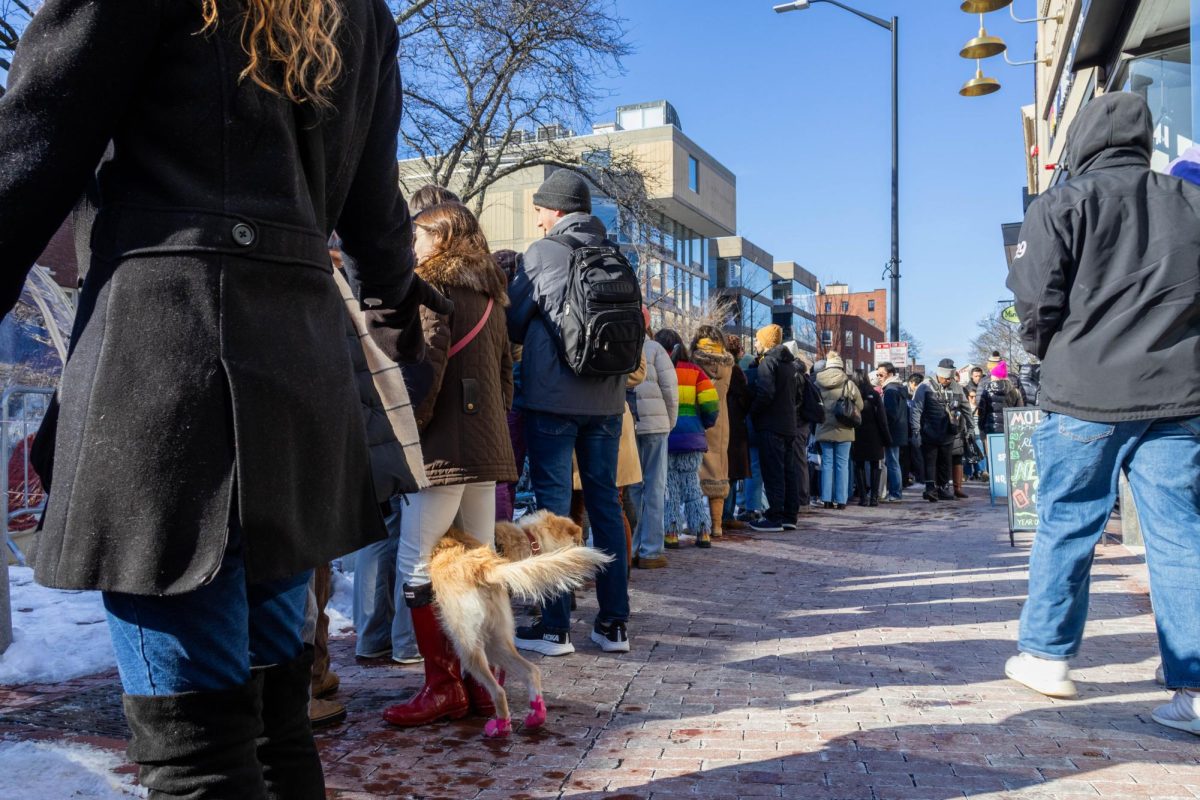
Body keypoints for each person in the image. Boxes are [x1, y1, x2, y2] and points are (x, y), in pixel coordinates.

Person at [0, 0, 452, 796]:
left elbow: (32, 145)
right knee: (276, 730)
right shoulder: (363, 13)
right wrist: (393, 306)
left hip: (167, 375)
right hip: (295, 380)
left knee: (196, 752)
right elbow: (376, 208)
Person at [1003, 92, 1200, 733]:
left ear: (1082, 139)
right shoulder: (1190, 202)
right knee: (1180, 538)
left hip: (1086, 388)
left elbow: (1035, 300)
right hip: (1177, 388)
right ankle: (1194, 689)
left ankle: (1047, 657)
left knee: (1068, 522)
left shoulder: (1061, 203)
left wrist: (1049, 350)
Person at [383, 202, 516, 729]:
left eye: (419, 233)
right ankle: (485, 686)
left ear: (442, 236)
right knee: (479, 566)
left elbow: (425, 369)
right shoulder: (492, 295)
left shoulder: (430, 289)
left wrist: (405, 430)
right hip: (484, 445)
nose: (413, 242)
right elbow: (507, 375)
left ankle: (443, 689)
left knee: (418, 563)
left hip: (438, 447)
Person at [507, 170, 632, 656]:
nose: (536, 218)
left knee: (553, 509)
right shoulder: (616, 255)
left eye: (540, 208)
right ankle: (614, 624)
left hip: (553, 401)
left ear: (556, 210)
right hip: (606, 402)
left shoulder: (542, 254)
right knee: (606, 506)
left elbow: (513, 321)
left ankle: (555, 627)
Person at [654, 329, 720, 548]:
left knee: (670, 487)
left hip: (667, 438)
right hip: (692, 438)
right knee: (692, 485)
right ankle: (703, 531)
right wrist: (704, 424)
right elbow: (711, 404)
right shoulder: (695, 372)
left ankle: (671, 533)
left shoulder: (657, 370)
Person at [628, 308, 678, 569]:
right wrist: (669, 422)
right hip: (656, 426)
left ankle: (634, 547)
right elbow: (671, 391)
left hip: (630, 425)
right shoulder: (656, 349)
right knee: (656, 487)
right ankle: (652, 550)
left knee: (634, 488)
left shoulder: (622, 345)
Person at [747, 324, 799, 531]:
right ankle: (789, 514)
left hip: (771, 425)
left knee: (773, 472)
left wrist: (753, 410)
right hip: (788, 424)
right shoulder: (789, 364)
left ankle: (775, 515)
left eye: (758, 340)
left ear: (767, 342)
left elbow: (765, 393)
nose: (756, 343)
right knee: (788, 471)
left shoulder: (768, 362)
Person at [691, 327, 736, 539]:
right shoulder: (728, 365)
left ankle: (699, 526)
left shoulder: (694, 361)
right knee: (718, 472)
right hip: (720, 423)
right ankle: (717, 525)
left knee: (694, 472)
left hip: (696, 418)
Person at [814, 352, 863, 510]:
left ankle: (826, 499)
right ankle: (841, 500)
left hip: (824, 428)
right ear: (841, 366)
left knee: (827, 464)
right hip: (845, 430)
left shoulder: (817, 382)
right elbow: (860, 407)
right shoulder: (849, 384)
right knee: (842, 465)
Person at [911, 361, 961, 503]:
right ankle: (930, 488)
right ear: (939, 375)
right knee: (930, 461)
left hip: (948, 431)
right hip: (929, 430)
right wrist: (916, 431)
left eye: (950, 379)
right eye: (946, 378)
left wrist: (964, 427)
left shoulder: (955, 387)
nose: (948, 381)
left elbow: (962, 408)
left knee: (945, 461)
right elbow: (916, 410)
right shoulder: (924, 387)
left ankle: (943, 488)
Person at [722, 335, 753, 528]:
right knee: (731, 473)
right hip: (734, 426)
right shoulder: (736, 371)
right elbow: (745, 399)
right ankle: (727, 514)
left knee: (722, 470)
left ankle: (721, 514)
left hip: (719, 424)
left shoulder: (715, 368)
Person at [850, 372, 891, 507]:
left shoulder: (852, 395)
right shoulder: (874, 394)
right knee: (875, 465)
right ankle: (874, 497)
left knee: (859, 465)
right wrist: (886, 437)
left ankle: (863, 497)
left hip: (857, 434)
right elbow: (882, 418)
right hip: (875, 434)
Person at [878, 363, 909, 502]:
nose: (878, 377)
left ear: (889, 374)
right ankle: (896, 492)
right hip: (899, 430)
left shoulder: (890, 390)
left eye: (881, 374)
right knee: (894, 462)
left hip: (892, 432)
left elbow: (890, 414)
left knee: (892, 462)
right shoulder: (898, 388)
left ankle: (895, 493)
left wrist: (884, 430)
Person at [978, 361, 1023, 437]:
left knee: (994, 448)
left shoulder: (986, 390)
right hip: (1010, 430)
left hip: (991, 429)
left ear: (994, 376)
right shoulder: (1015, 391)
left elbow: (982, 412)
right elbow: (1019, 412)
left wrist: (981, 428)